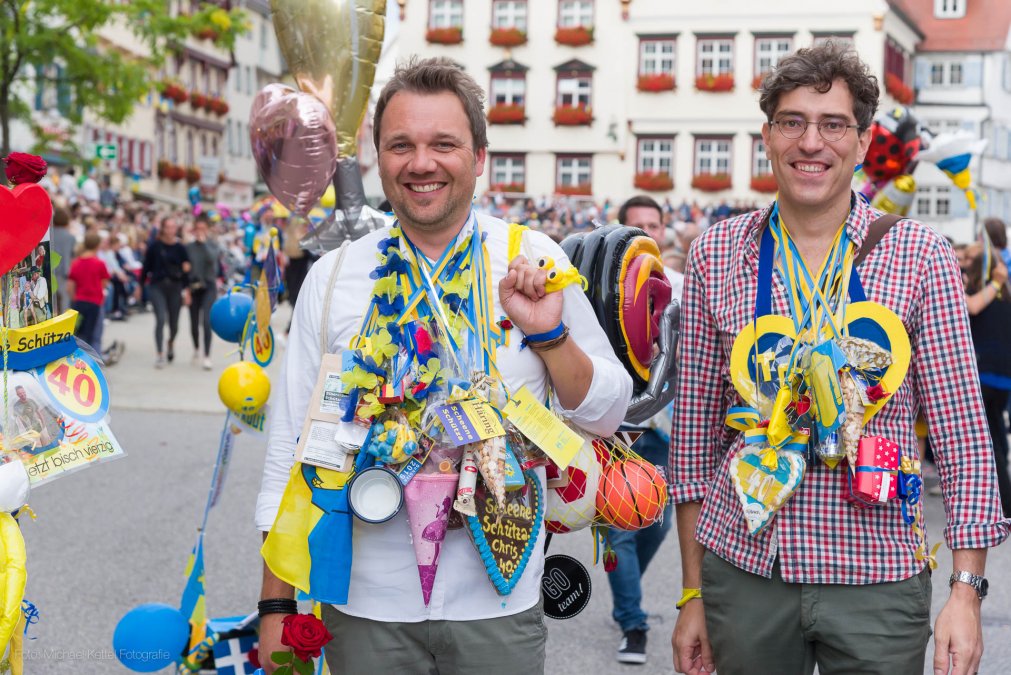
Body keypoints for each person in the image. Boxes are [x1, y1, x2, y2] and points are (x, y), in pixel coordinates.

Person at [256, 57, 632, 675]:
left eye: (444, 144)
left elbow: (607, 411)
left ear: (479, 157)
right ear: (379, 158)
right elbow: (291, 445)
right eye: (401, 145)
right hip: (365, 600)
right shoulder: (334, 277)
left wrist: (551, 336)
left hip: (499, 599)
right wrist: (276, 603)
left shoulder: (534, 259)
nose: (421, 163)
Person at [670, 43, 1009, 675]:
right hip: (745, 570)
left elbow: (963, 434)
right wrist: (692, 594)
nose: (811, 142)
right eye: (792, 122)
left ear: (863, 141)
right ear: (767, 136)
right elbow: (692, 441)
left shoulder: (919, 255)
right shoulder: (718, 252)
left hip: (877, 573)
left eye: (833, 124)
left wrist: (967, 593)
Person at [607, 195, 676, 664]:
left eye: (655, 225)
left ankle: (626, 593)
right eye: (639, 227)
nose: (649, 233)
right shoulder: (603, 290)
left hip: (664, 432)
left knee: (658, 524)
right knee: (620, 531)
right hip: (616, 431)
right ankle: (633, 623)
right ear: (622, 233)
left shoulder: (684, 287)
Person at [961, 241, 1011, 517]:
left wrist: (994, 282)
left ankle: (1004, 502)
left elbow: (972, 307)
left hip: (984, 374)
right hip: (1003, 376)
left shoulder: (981, 293)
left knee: (988, 441)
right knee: (998, 438)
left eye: (968, 259)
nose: (963, 262)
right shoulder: (1004, 294)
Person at [141, 215, 191, 368]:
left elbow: (186, 271)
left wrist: (187, 290)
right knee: (161, 319)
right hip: (158, 286)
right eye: (167, 227)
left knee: (174, 324)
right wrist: (140, 286)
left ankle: (170, 342)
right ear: (162, 229)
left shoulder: (180, 248)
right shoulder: (154, 247)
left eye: (173, 227)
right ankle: (160, 354)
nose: (170, 230)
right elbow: (146, 268)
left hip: (175, 287)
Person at [185, 215, 220, 370]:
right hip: (194, 287)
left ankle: (207, 355)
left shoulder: (212, 245)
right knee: (194, 322)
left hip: (209, 286)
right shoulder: (189, 247)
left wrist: (204, 243)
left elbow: (212, 259)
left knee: (206, 321)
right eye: (198, 229)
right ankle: (196, 348)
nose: (200, 231)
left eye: (203, 229)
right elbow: (185, 270)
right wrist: (186, 290)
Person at [67, 232, 110, 353]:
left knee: (79, 333)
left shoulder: (76, 263)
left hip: (79, 301)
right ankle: (95, 359)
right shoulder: (100, 263)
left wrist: (74, 298)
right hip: (95, 302)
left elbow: (70, 286)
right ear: (97, 245)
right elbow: (104, 283)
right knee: (94, 335)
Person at [51, 207, 76, 314]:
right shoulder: (70, 237)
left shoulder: (48, 234)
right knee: (64, 303)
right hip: (64, 273)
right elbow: (71, 257)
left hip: (49, 270)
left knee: (50, 302)